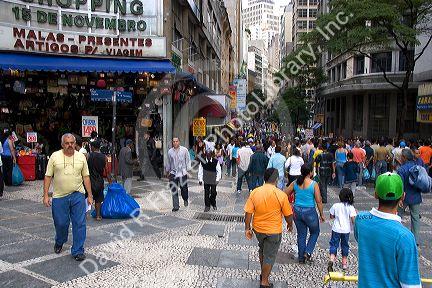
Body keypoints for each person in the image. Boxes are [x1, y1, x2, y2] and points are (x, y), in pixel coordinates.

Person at [354, 173, 421, 288]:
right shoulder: (405, 237)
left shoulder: (360, 220)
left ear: (375, 194)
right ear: (403, 197)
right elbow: (410, 284)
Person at [43, 133, 93, 261]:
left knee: (79, 223)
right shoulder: (55, 157)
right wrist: (45, 195)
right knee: (61, 223)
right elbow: (48, 176)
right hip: (60, 197)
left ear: (75, 143)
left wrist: (90, 195)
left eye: (72, 143)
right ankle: (60, 240)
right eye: (67, 143)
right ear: (62, 144)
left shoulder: (81, 157)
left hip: (78, 195)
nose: (70, 145)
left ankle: (77, 250)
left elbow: (86, 177)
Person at [244, 168, 293, 288]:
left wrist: (247, 228)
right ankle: (264, 281)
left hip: (258, 230)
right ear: (276, 179)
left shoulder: (255, 192)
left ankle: (263, 274)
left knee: (262, 251)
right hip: (273, 231)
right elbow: (288, 215)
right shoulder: (280, 195)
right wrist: (290, 224)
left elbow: (248, 212)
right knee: (270, 256)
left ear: (264, 178)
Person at [285, 164, 325, 264]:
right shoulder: (314, 184)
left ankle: (301, 258)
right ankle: (308, 251)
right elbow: (319, 201)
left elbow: (285, 193)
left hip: (297, 211)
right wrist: (321, 214)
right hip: (310, 212)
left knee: (301, 235)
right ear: (310, 172)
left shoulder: (295, 183)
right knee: (315, 232)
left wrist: (290, 205)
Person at [397, 149, 422, 245]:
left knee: (398, 217)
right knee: (415, 218)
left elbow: (400, 185)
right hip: (416, 196)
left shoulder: (402, 169)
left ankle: (398, 237)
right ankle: (415, 240)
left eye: (401, 156)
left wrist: (399, 197)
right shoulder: (417, 167)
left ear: (404, 157)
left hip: (404, 197)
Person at [328, 188, 357, 272]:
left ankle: (332, 259)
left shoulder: (335, 205)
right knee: (345, 245)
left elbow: (331, 216)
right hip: (346, 230)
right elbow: (353, 220)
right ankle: (344, 263)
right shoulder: (351, 207)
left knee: (333, 244)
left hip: (336, 229)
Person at [166, 137, 191, 212]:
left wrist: (188, 170)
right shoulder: (170, 152)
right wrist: (168, 171)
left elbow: (188, 160)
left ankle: (185, 199)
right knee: (174, 190)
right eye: (174, 141)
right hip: (173, 173)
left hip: (182, 173)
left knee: (184, 188)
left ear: (179, 142)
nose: (175, 143)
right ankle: (176, 206)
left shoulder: (184, 150)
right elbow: (169, 162)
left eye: (176, 141)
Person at [87, 140, 108, 221]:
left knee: (86, 197)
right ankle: (98, 215)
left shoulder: (88, 156)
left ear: (92, 147)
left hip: (89, 180)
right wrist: (110, 182)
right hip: (99, 180)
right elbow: (107, 171)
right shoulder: (104, 157)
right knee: (98, 198)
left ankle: (84, 214)